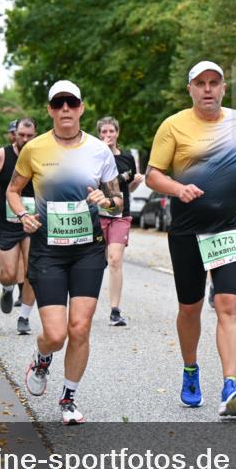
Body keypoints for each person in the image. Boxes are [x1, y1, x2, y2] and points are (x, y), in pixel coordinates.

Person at [145, 60, 236, 418]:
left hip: (228, 228)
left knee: (228, 305)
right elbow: (154, 176)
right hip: (186, 231)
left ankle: (231, 384)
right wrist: (178, 188)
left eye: (214, 83)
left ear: (224, 88)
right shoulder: (173, 126)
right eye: (201, 83)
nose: (208, 89)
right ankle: (190, 369)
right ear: (190, 89)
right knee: (190, 308)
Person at [7, 81, 121, 425]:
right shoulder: (34, 149)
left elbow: (118, 203)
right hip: (48, 250)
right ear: (50, 111)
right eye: (59, 104)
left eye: (72, 103)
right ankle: (42, 359)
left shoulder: (100, 150)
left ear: (82, 108)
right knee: (55, 334)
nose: (66, 109)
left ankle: (68, 399)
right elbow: (13, 190)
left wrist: (106, 200)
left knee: (80, 327)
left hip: (88, 250)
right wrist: (24, 215)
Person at [0, 117, 38, 335]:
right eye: (21, 134)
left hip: (33, 223)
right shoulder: (1, 155)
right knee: (8, 273)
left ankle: (24, 317)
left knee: (33, 272)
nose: (24, 139)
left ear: (35, 135)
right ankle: (7, 288)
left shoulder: (41, 155)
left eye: (29, 136)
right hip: (7, 222)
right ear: (14, 133)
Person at [96, 116, 144, 326]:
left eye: (111, 132)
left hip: (120, 215)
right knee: (96, 262)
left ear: (117, 133)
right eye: (104, 132)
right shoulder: (94, 156)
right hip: (97, 213)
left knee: (115, 259)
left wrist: (135, 183)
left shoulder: (126, 159)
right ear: (99, 135)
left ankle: (115, 311)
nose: (108, 136)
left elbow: (128, 189)